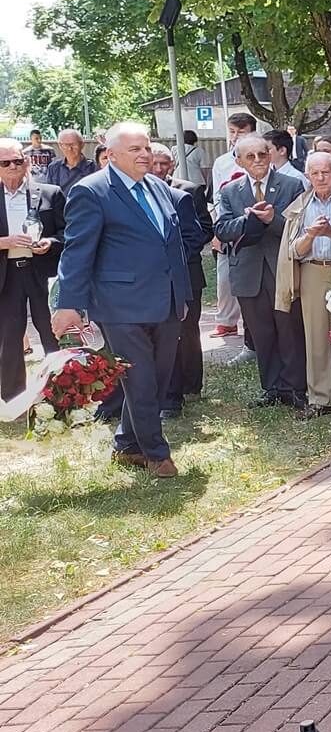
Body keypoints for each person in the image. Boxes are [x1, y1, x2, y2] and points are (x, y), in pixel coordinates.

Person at [53, 122, 200, 478]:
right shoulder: (91, 191)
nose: (145, 154)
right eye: (135, 149)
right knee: (141, 379)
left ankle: (126, 445)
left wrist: (182, 293)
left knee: (159, 379)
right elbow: (77, 252)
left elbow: (172, 244)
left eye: (147, 147)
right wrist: (68, 304)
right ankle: (157, 454)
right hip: (120, 305)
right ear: (112, 154)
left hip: (167, 302)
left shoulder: (158, 187)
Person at [215, 135, 307, 409]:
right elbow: (222, 230)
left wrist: (272, 220)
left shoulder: (291, 185)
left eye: (262, 154)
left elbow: (299, 228)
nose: (258, 160)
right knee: (261, 333)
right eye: (250, 156)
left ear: (270, 155)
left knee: (289, 330)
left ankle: (295, 388)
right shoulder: (230, 191)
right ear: (239, 161)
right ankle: (272, 387)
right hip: (247, 272)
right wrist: (248, 220)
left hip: (282, 268)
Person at [275, 151, 331, 418]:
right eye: (314, 173)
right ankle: (321, 398)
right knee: (316, 336)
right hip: (312, 271)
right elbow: (293, 250)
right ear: (308, 177)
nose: (320, 178)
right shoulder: (300, 206)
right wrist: (311, 236)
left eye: (326, 172)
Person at [149, 144, 210, 417]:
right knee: (164, 334)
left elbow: (202, 230)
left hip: (187, 274)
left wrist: (174, 256)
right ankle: (169, 391)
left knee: (188, 332)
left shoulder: (188, 192)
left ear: (172, 164)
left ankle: (191, 384)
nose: (159, 168)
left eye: (164, 163)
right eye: (154, 163)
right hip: (153, 280)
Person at [0, 139, 62, 398]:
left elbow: (68, 232)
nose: (13, 166)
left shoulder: (50, 193)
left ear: (26, 162)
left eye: (18, 161)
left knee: (52, 332)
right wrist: (4, 242)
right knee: (9, 337)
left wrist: (50, 243)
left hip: (41, 272)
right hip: (7, 275)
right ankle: (13, 397)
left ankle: (62, 392)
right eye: (5, 163)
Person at [207, 113, 259, 338]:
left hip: (254, 223)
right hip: (229, 224)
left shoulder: (260, 157)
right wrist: (217, 230)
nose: (236, 136)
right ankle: (226, 321)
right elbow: (217, 198)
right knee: (225, 276)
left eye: (242, 132)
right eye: (232, 132)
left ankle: (252, 324)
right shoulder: (222, 162)